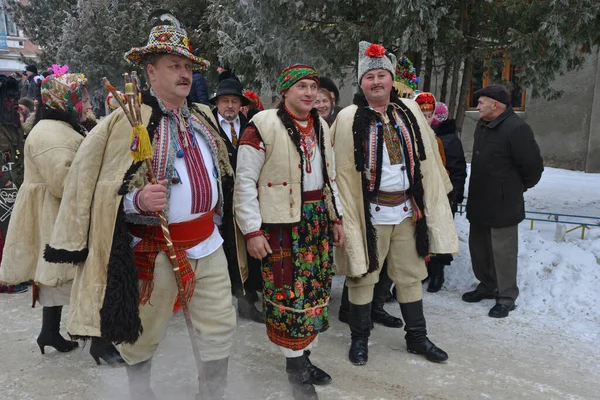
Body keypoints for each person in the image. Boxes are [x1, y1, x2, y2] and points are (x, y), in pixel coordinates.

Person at [44, 14, 241, 399]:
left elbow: (224, 173)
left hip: (208, 243)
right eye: (174, 66)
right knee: (143, 332)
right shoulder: (125, 122)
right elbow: (96, 188)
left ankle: (212, 392)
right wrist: (136, 199)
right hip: (155, 249)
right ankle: (141, 392)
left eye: (187, 66)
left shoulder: (202, 117)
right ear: (151, 72)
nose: (184, 74)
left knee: (219, 326)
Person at [332, 41, 458, 367]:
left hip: (405, 211)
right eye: (369, 76)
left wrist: (435, 200)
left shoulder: (410, 110)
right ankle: (360, 340)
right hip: (367, 214)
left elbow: (428, 160)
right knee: (363, 274)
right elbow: (338, 173)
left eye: (381, 76)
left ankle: (417, 337)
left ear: (391, 80)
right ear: (361, 83)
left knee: (410, 274)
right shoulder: (347, 119)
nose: (376, 82)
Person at [234, 64, 344, 400]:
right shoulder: (261, 125)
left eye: (313, 87)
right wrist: (252, 231)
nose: (310, 93)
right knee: (288, 297)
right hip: (282, 227)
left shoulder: (321, 126)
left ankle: (303, 358)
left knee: (313, 294)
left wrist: (336, 217)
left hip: (315, 223)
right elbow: (244, 183)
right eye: (302, 87)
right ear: (285, 91)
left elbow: (330, 177)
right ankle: (296, 372)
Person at [0, 67, 96, 358]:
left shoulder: (58, 127)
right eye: (82, 98)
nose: (87, 104)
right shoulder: (52, 135)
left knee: (55, 274)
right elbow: (64, 182)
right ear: (64, 101)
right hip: (55, 213)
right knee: (73, 273)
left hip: (53, 212)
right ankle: (98, 339)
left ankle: (50, 331)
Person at [463, 84, 543, 318]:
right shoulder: (484, 124)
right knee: (479, 249)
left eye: (481, 103)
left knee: (503, 252)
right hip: (480, 200)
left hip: (504, 203)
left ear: (495, 105)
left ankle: (506, 296)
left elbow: (533, 167)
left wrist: (516, 189)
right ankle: (487, 285)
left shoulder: (516, 129)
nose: (477, 106)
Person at [209, 78, 263, 323]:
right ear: (217, 103)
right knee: (230, 248)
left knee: (251, 246)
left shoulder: (252, 126)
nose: (230, 106)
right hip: (221, 200)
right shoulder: (208, 126)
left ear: (242, 105)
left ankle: (250, 294)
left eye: (234, 101)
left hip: (250, 195)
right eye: (225, 101)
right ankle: (239, 297)